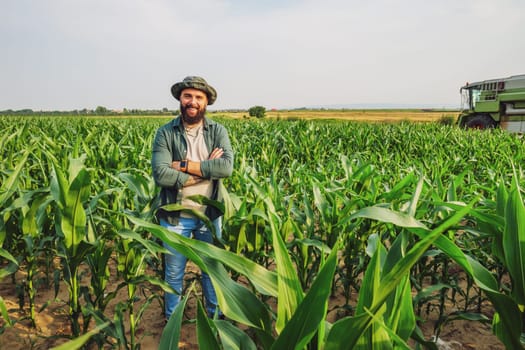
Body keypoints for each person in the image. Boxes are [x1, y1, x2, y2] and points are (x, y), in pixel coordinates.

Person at [151, 76, 234, 320]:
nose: (193, 101)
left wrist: (184, 165)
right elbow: (161, 174)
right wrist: (206, 169)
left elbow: (226, 168)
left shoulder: (218, 131)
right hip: (175, 217)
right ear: (180, 99)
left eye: (199, 97)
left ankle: (216, 319)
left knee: (212, 271)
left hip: (208, 216)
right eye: (188, 96)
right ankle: (172, 323)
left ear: (206, 102)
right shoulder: (166, 133)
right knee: (174, 274)